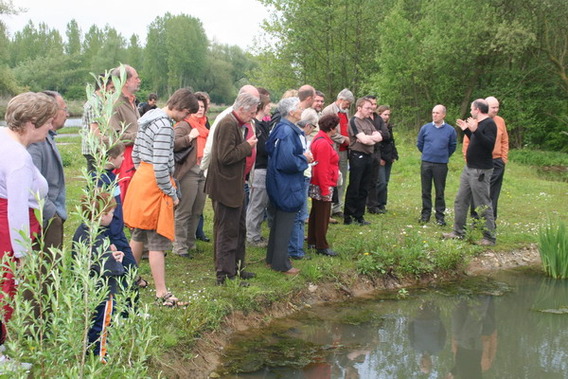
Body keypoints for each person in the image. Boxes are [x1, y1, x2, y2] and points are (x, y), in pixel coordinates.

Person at [123, 88, 199, 306]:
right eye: (186, 114)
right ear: (182, 108)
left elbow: (136, 154)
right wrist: (172, 193)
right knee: (157, 241)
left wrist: (143, 173)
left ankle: (128, 279)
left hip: (142, 180)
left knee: (138, 234)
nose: (185, 119)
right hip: (156, 185)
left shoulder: (148, 117)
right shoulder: (165, 126)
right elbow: (160, 168)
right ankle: (161, 293)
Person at [0, 91, 57, 366]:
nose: (51, 126)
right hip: (8, 231)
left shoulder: (2, 137)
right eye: (48, 122)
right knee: (6, 288)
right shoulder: (18, 159)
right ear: (32, 122)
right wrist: (23, 255)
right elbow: (17, 210)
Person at [204, 92, 259, 285]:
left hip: (234, 185)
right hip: (225, 186)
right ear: (242, 109)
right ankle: (225, 276)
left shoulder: (235, 123)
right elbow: (224, 156)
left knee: (238, 228)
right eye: (251, 112)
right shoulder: (227, 124)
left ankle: (237, 268)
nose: (253, 116)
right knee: (227, 231)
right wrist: (247, 146)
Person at [72, 192, 125, 363]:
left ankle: (87, 349)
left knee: (90, 320)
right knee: (102, 323)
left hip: (87, 287)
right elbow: (109, 269)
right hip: (103, 290)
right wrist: (117, 259)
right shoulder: (98, 239)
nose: (113, 216)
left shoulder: (83, 231)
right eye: (110, 213)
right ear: (102, 216)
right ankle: (99, 355)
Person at [265, 97, 312, 275]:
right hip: (286, 183)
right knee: (285, 223)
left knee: (279, 222)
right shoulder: (286, 131)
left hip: (279, 181)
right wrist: (304, 159)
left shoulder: (282, 127)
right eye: (299, 108)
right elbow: (287, 161)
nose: (302, 110)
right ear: (292, 112)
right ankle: (281, 264)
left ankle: (272, 259)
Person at [443, 99, 497, 245]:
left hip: (481, 170)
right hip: (469, 168)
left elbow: (488, 145)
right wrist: (467, 130)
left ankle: (489, 237)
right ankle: (458, 232)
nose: (471, 112)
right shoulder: (477, 125)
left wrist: (475, 131)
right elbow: (476, 141)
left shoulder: (490, 124)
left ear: (478, 110)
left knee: (482, 203)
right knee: (460, 200)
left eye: (472, 109)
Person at [28, 90, 69, 250]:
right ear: (50, 112)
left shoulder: (47, 137)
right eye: (63, 109)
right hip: (45, 217)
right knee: (48, 271)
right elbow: (30, 183)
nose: (67, 113)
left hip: (52, 214)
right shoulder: (36, 142)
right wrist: (52, 213)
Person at [172, 92, 209, 258]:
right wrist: (189, 137)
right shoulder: (184, 125)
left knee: (197, 210)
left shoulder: (204, 125)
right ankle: (179, 246)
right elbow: (172, 144)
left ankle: (190, 242)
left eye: (203, 107)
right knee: (184, 210)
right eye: (197, 107)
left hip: (203, 169)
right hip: (189, 171)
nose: (200, 110)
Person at [462, 96, 509, 221]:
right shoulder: (475, 121)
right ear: (485, 107)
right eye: (493, 107)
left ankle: (490, 220)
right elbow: (468, 142)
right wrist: (469, 160)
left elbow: (504, 140)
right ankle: (476, 219)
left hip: (497, 161)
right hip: (478, 163)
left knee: (493, 192)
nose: (496, 110)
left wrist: (503, 158)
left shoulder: (500, 121)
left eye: (497, 107)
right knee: (477, 191)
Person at [343, 97, 383, 225]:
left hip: (369, 156)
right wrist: (368, 139)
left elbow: (379, 136)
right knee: (355, 186)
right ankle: (348, 216)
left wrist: (369, 138)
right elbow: (364, 140)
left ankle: (359, 216)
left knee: (364, 187)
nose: (370, 111)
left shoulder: (368, 121)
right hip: (357, 156)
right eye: (367, 108)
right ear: (359, 108)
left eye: (371, 108)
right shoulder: (354, 121)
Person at [416, 105, 457, 226]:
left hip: (441, 164)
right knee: (425, 190)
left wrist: (443, 155)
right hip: (426, 162)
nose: (434, 115)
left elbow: (452, 146)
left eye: (437, 113)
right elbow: (420, 144)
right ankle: (425, 215)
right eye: (433, 112)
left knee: (440, 191)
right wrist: (428, 153)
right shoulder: (425, 128)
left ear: (443, 115)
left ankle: (440, 216)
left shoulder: (450, 130)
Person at [307, 114, 340, 257]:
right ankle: (321, 245)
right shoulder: (323, 143)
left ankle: (313, 240)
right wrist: (325, 189)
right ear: (331, 128)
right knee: (323, 214)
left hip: (320, 183)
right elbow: (322, 168)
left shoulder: (321, 139)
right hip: (322, 184)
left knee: (316, 212)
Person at [109, 64, 142, 201]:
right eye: (136, 78)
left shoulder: (132, 102)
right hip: (124, 160)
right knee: (125, 199)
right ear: (126, 81)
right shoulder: (115, 103)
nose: (139, 80)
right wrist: (141, 137)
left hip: (136, 157)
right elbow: (115, 137)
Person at [288, 114, 317, 260]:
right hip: (302, 176)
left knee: (300, 215)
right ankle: (295, 250)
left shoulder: (299, 136)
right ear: (307, 126)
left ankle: (295, 247)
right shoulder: (296, 136)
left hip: (304, 174)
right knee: (300, 215)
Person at [246, 88, 272, 248]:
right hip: (259, 168)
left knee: (260, 203)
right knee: (256, 203)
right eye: (268, 104)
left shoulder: (262, 125)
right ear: (262, 105)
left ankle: (254, 234)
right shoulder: (254, 125)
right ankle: (252, 236)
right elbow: (261, 147)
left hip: (265, 167)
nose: (270, 107)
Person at [322, 89, 354, 218]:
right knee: (331, 178)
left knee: (342, 179)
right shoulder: (328, 111)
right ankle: (328, 207)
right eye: (347, 103)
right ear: (341, 100)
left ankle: (337, 207)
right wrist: (343, 139)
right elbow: (328, 131)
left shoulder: (346, 112)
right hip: (333, 149)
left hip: (344, 150)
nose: (348, 106)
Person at [81, 74, 115, 172]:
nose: (114, 91)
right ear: (103, 86)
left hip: (99, 148)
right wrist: (111, 143)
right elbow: (95, 131)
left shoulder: (102, 102)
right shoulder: (95, 103)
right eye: (112, 87)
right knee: (96, 181)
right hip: (94, 150)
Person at [364, 96, 390, 215]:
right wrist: (375, 135)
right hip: (364, 152)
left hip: (377, 152)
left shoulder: (378, 118)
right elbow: (362, 136)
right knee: (365, 180)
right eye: (371, 104)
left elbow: (386, 134)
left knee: (376, 181)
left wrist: (375, 135)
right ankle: (364, 203)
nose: (373, 107)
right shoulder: (362, 118)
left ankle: (373, 205)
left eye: (375, 104)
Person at [376, 105, 398, 213]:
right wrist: (379, 158)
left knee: (386, 181)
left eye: (388, 115)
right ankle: (374, 202)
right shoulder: (376, 126)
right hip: (380, 157)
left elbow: (391, 142)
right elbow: (376, 144)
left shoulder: (388, 126)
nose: (387, 117)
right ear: (379, 114)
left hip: (389, 156)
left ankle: (382, 204)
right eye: (385, 114)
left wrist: (394, 155)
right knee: (381, 182)